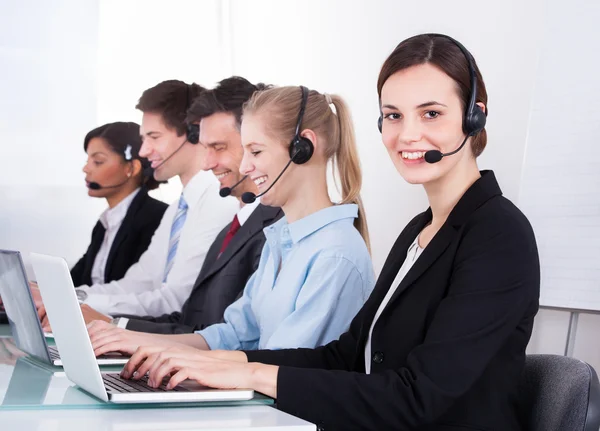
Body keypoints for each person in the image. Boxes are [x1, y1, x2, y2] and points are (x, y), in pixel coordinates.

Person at [117, 34, 540, 431]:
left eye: (431, 113)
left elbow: (419, 397)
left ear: (474, 115)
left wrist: (248, 372)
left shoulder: (498, 235)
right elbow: (345, 355)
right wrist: (219, 363)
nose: (407, 134)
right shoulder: (421, 230)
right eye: (393, 116)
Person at [89, 84, 375, 356]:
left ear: (303, 147)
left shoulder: (334, 255)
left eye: (256, 151)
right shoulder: (280, 240)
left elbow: (282, 364)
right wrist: (132, 339)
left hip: (279, 407)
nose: (245, 166)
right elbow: (232, 335)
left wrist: (183, 360)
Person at [37, 80, 239, 327]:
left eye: (154, 137)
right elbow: (140, 280)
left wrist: (77, 305)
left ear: (193, 133)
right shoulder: (179, 208)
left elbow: (175, 300)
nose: (144, 151)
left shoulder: (220, 201)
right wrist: (71, 298)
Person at [100, 77, 283, 334]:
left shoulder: (269, 228)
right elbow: (190, 316)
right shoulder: (222, 224)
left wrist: (112, 325)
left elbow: (226, 336)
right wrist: (108, 322)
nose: (207, 164)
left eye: (154, 136)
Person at [70, 121, 168, 287]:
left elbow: (136, 290)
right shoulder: (105, 223)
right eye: (88, 160)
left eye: (98, 161)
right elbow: (75, 279)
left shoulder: (157, 219)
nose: (86, 169)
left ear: (132, 168)